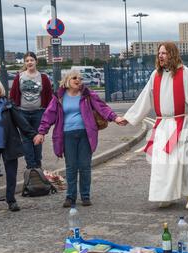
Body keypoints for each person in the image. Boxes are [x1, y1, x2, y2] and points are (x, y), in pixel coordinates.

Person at [119, 42, 188, 209]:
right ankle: (167, 195)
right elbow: (144, 98)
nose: (161, 56)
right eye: (159, 53)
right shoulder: (155, 76)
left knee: (185, 161)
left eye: (164, 53)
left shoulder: (185, 73)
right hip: (163, 124)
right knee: (162, 161)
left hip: (181, 123)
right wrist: (129, 117)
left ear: (172, 54)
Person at [33, 70, 125, 208]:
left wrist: (115, 117)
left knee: (84, 166)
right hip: (67, 135)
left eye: (80, 79)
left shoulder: (87, 94)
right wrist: (41, 132)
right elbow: (48, 115)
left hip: (85, 134)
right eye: (75, 78)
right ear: (67, 81)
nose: (78, 80)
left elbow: (102, 107)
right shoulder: (59, 97)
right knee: (71, 167)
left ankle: (85, 196)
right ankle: (70, 197)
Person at [0, 80, 37, 214]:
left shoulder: (8, 105)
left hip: (9, 143)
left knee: (11, 174)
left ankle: (11, 200)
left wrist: (33, 135)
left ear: (1, 90)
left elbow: (21, 122)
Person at [10, 52, 53, 169]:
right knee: (26, 140)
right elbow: (13, 96)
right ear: (25, 63)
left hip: (39, 112)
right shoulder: (19, 77)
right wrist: (14, 112)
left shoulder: (43, 77)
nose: (29, 62)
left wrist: (49, 114)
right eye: (27, 60)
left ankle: (38, 165)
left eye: (31, 60)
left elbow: (49, 96)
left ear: (36, 62)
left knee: (38, 138)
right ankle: (31, 166)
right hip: (22, 113)